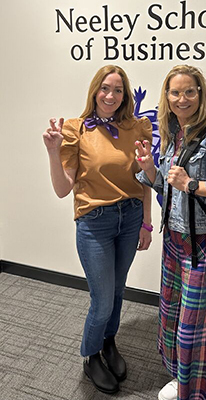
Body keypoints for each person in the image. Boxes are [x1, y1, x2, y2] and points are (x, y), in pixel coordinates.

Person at [135, 65, 206, 400]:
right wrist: (150, 171)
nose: (182, 98)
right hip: (173, 239)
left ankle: (197, 393)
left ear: (201, 94)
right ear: (166, 97)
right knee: (170, 315)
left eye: (189, 91)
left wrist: (193, 183)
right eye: (175, 92)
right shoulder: (174, 135)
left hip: (201, 245)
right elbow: (170, 189)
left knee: (192, 329)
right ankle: (180, 379)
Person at [43, 65, 153, 395]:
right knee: (102, 300)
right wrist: (52, 151)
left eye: (118, 90)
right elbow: (64, 188)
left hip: (131, 217)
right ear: (95, 91)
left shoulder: (137, 127)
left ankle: (109, 343)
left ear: (125, 95)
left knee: (118, 291)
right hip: (95, 223)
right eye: (105, 88)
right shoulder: (77, 130)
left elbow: (144, 179)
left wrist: (147, 221)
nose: (110, 95)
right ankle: (90, 356)